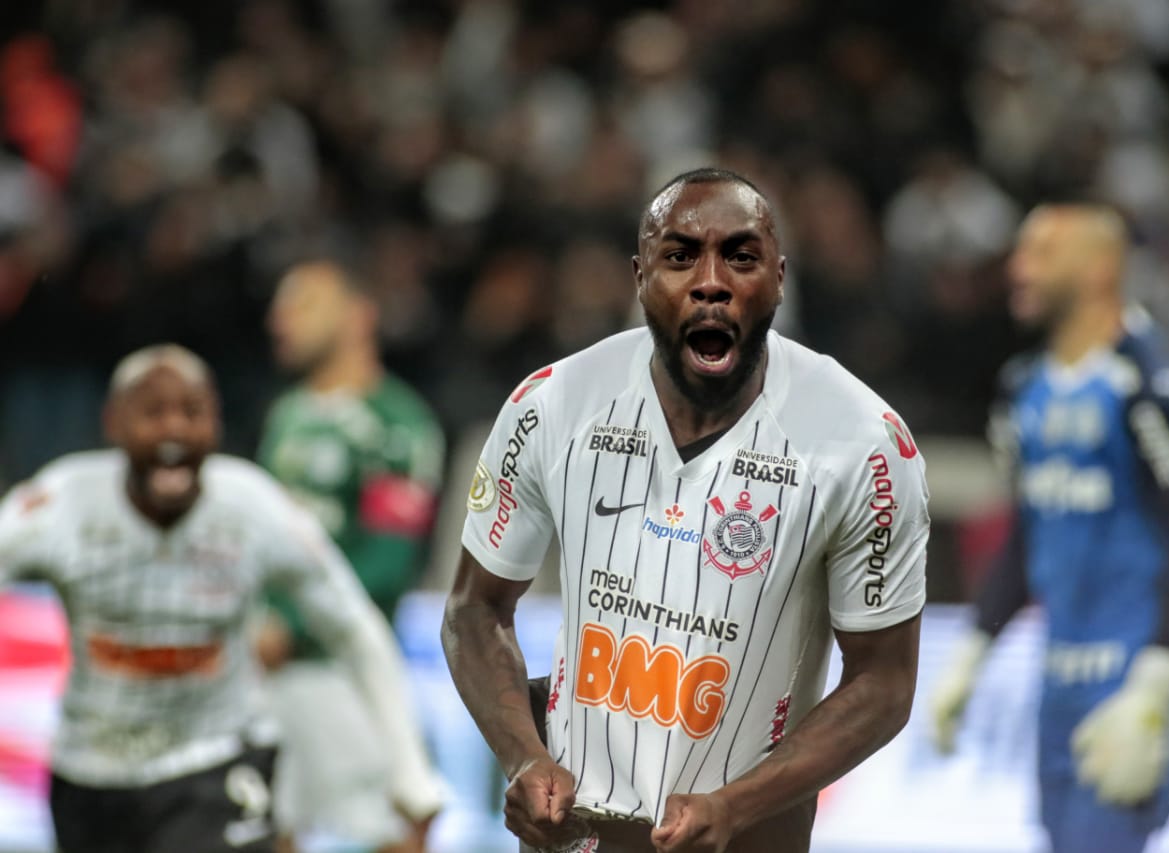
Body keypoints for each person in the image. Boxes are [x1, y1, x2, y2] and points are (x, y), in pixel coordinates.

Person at [441, 167, 930, 853]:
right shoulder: (551, 405)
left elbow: (885, 681)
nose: (710, 280)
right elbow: (474, 609)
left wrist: (736, 805)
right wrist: (524, 755)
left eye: (740, 255)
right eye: (679, 256)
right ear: (640, 276)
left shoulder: (863, 444)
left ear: (780, 279)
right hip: (574, 840)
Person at [0, 344, 445, 853]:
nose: (174, 431)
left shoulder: (253, 509)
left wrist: (411, 774)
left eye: (192, 412)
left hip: (216, 762)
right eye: (152, 413)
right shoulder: (61, 505)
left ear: (216, 423)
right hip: (90, 774)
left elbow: (355, 628)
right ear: (113, 425)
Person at [928, 204, 1169, 853]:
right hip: (1059, 671)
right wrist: (972, 652)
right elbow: (1028, 533)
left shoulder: (1150, 381)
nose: (1017, 268)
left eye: (1040, 253)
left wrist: (1156, 687)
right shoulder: (1022, 386)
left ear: (1098, 269)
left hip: (1133, 665)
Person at [256, 258, 448, 853]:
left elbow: (389, 565)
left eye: (304, 303)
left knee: (392, 832)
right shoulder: (286, 416)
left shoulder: (398, 424)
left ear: (359, 316)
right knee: (264, 829)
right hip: (264, 669)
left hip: (343, 668)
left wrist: (287, 624)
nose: (279, 319)